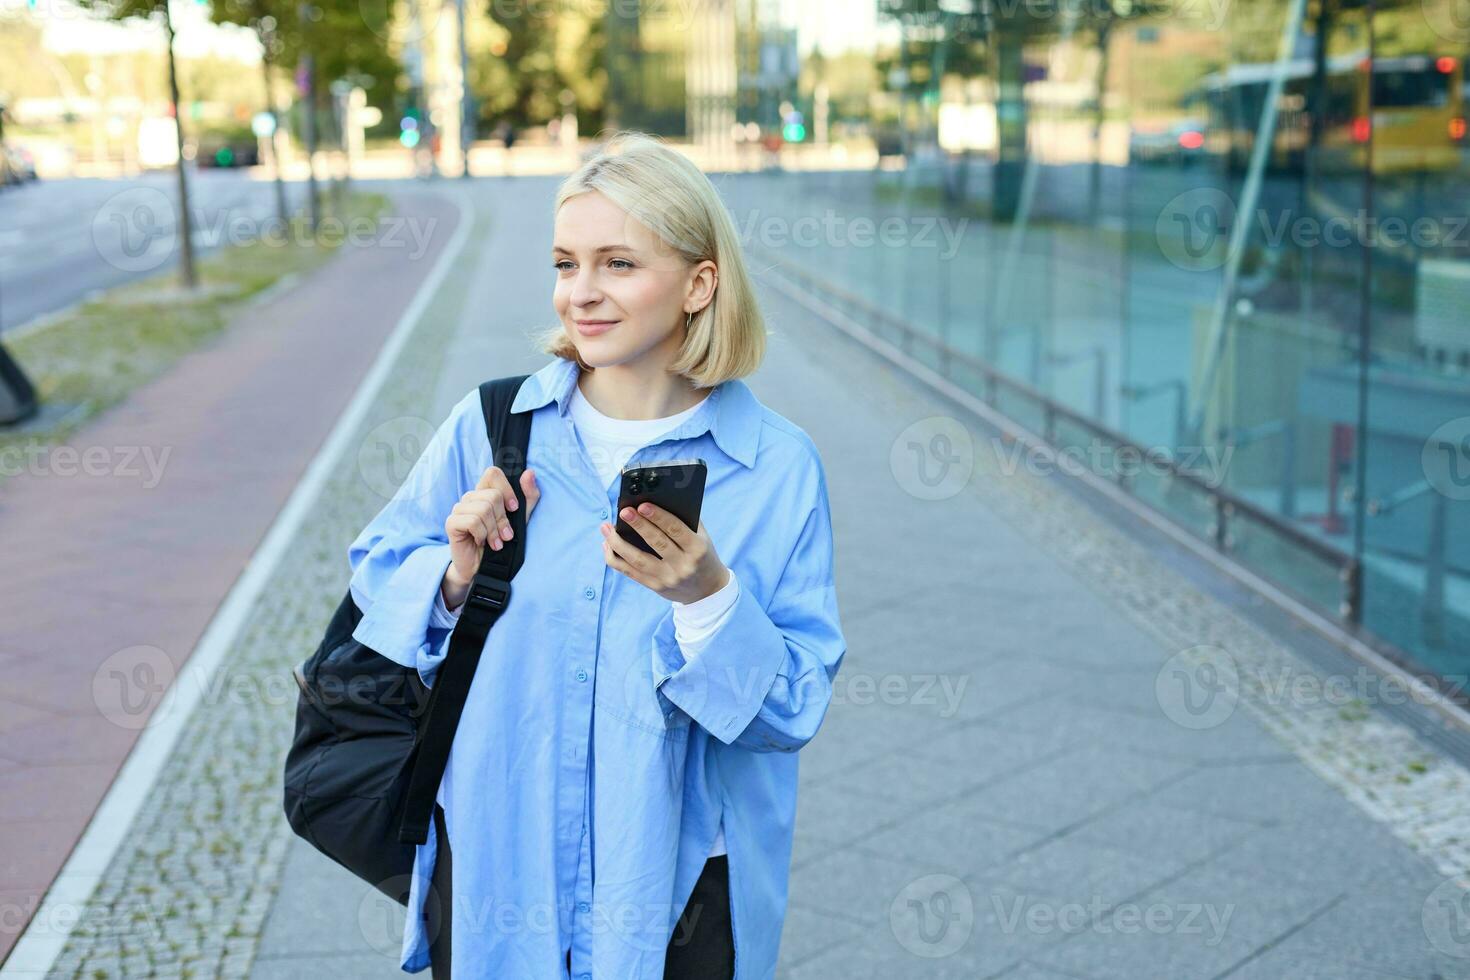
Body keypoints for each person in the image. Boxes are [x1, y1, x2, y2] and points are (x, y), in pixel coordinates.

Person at [345, 130, 845, 979]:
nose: (581, 293)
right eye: (565, 263)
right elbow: (379, 578)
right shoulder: (493, 426)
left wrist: (709, 599)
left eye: (618, 264)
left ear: (700, 283)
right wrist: (456, 575)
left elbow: (791, 709)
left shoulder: (777, 464)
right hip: (505, 857)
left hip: (679, 882)